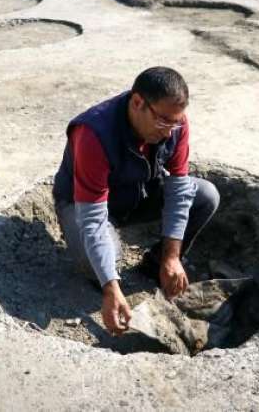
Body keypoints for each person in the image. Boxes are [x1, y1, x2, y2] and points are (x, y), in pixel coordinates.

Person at [53, 66, 220, 336]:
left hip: (140, 193)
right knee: (99, 261)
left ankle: (155, 265)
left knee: (206, 196)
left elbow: (179, 191)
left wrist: (172, 257)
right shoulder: (93, 133)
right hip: (87, 206)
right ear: (137, 103)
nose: (169, 133)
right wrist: (111, 288)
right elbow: (93, 219)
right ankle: (108, 268)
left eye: (175, 123)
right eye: (164, 122)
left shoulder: (175, 124)